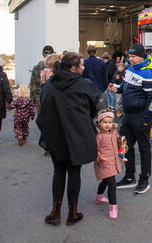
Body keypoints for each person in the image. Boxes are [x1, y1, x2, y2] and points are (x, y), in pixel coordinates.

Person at [36, 52, 101, 226]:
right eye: (81, 64)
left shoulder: (49, 85)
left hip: (55, 135)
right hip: (77, 134)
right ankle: (72, 212)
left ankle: (55, 212)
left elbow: (42, 110)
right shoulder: (84, 85)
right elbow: (94, 106)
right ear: (73, 68)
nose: (84, 67)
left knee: (58, 171)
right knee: (74, 171)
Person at [110, 43, 152, 193]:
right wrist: (116, 88)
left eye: (133, 56)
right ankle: (129, 177)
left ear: (141, 56)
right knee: (124, 146)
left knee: (144, 149)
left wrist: (146, 119)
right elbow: (125, 87)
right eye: (129, 56)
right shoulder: (129, 69)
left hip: (140, 118)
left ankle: (145, 179)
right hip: (127, 116)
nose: (130, 59)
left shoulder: (150, 74)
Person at [93, 110, 126, 219]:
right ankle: (113, 207)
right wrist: (98, 157)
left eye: (110, 122)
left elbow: (119, 142)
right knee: (112, 183)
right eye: (105, 122)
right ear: (99, 122)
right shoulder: (98, 135)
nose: (108, 125)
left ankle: (99, 197)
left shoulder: (114, 132)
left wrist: (123, 148)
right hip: (104, 162)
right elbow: (93, 149)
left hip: (113, 161)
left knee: (105, 180)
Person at [30, 45, 54, 112]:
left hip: (54, 100)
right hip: (40, 100)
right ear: (42, 54)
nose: (47, 55)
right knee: (41, 121)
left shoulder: (56, 67)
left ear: (53, 54)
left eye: (49, 53)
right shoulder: (37, 68)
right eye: (46, 53)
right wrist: (36, 101)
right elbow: (32, 85)